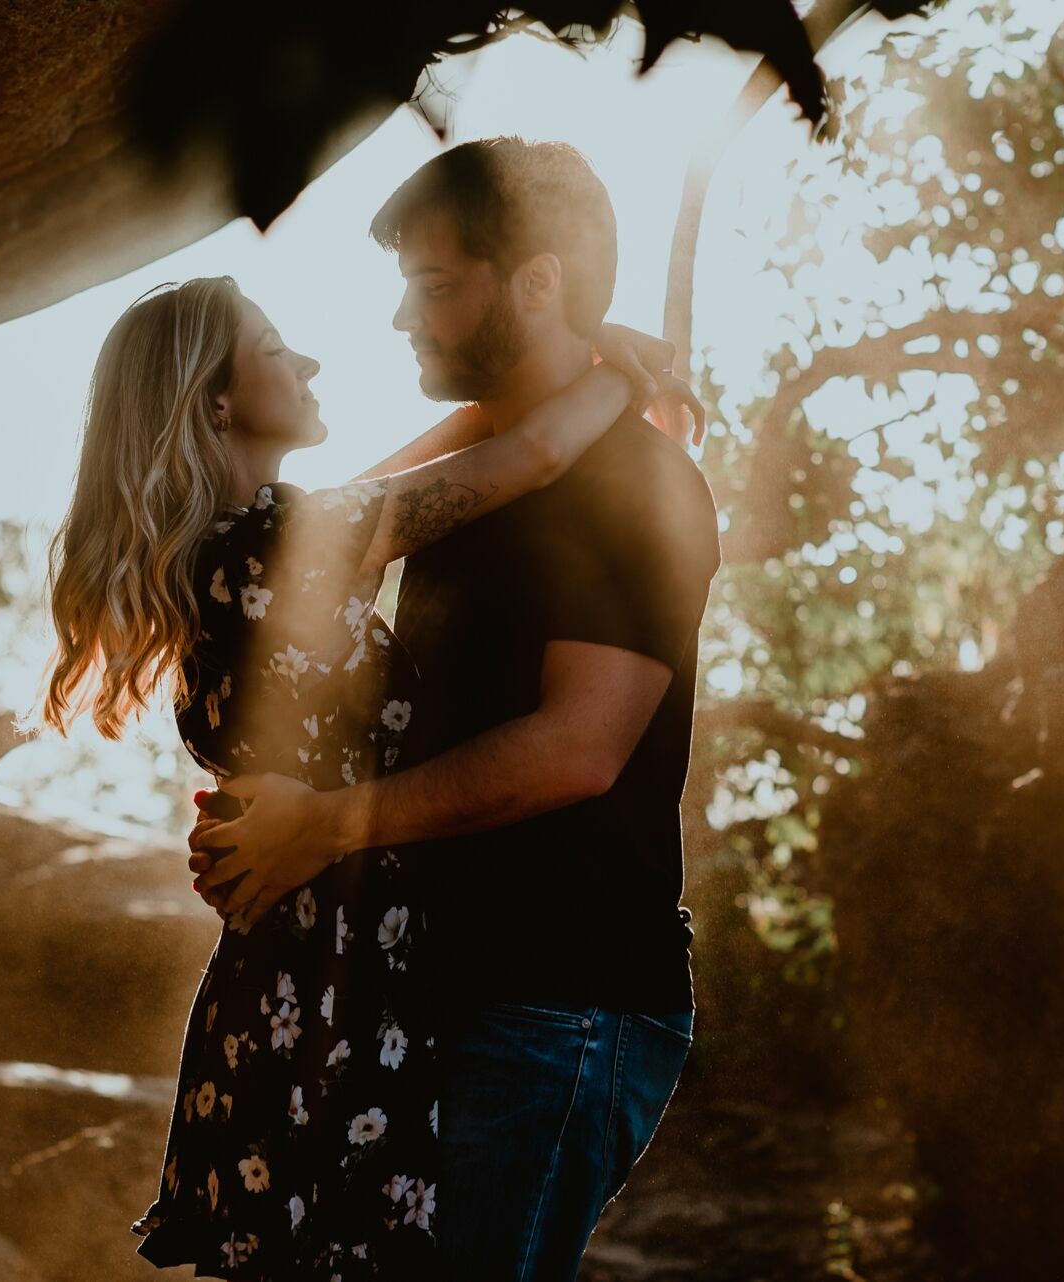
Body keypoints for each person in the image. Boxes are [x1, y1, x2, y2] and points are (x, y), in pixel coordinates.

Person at [32, 272, 697, 1278]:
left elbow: (436, 470)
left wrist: (552, 371)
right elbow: (533, 455)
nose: (306, 361)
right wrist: (612, 374)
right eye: (273, 347)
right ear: (219, 400)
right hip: (336, 978)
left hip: (293, 972)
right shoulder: (284, 546)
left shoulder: (242, 554)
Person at [189, 137, 723, 1280]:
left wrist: (321, 826)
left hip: (560, 1007)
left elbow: (577, 750)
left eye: (434, 285)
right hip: (440, 997)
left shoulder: (637, 484)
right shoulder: (474, 491)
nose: (400, 320)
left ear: (536, 282)